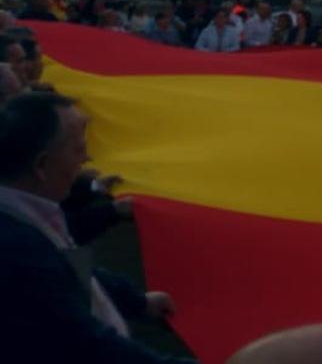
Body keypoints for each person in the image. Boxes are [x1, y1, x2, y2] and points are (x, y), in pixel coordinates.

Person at [0, 92, 195, 363]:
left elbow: (71, 267)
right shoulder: (17, 250)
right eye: (78, 149)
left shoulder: (30, 217)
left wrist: (137, 302)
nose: (87, 159)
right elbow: (87, 347)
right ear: (42, 165)